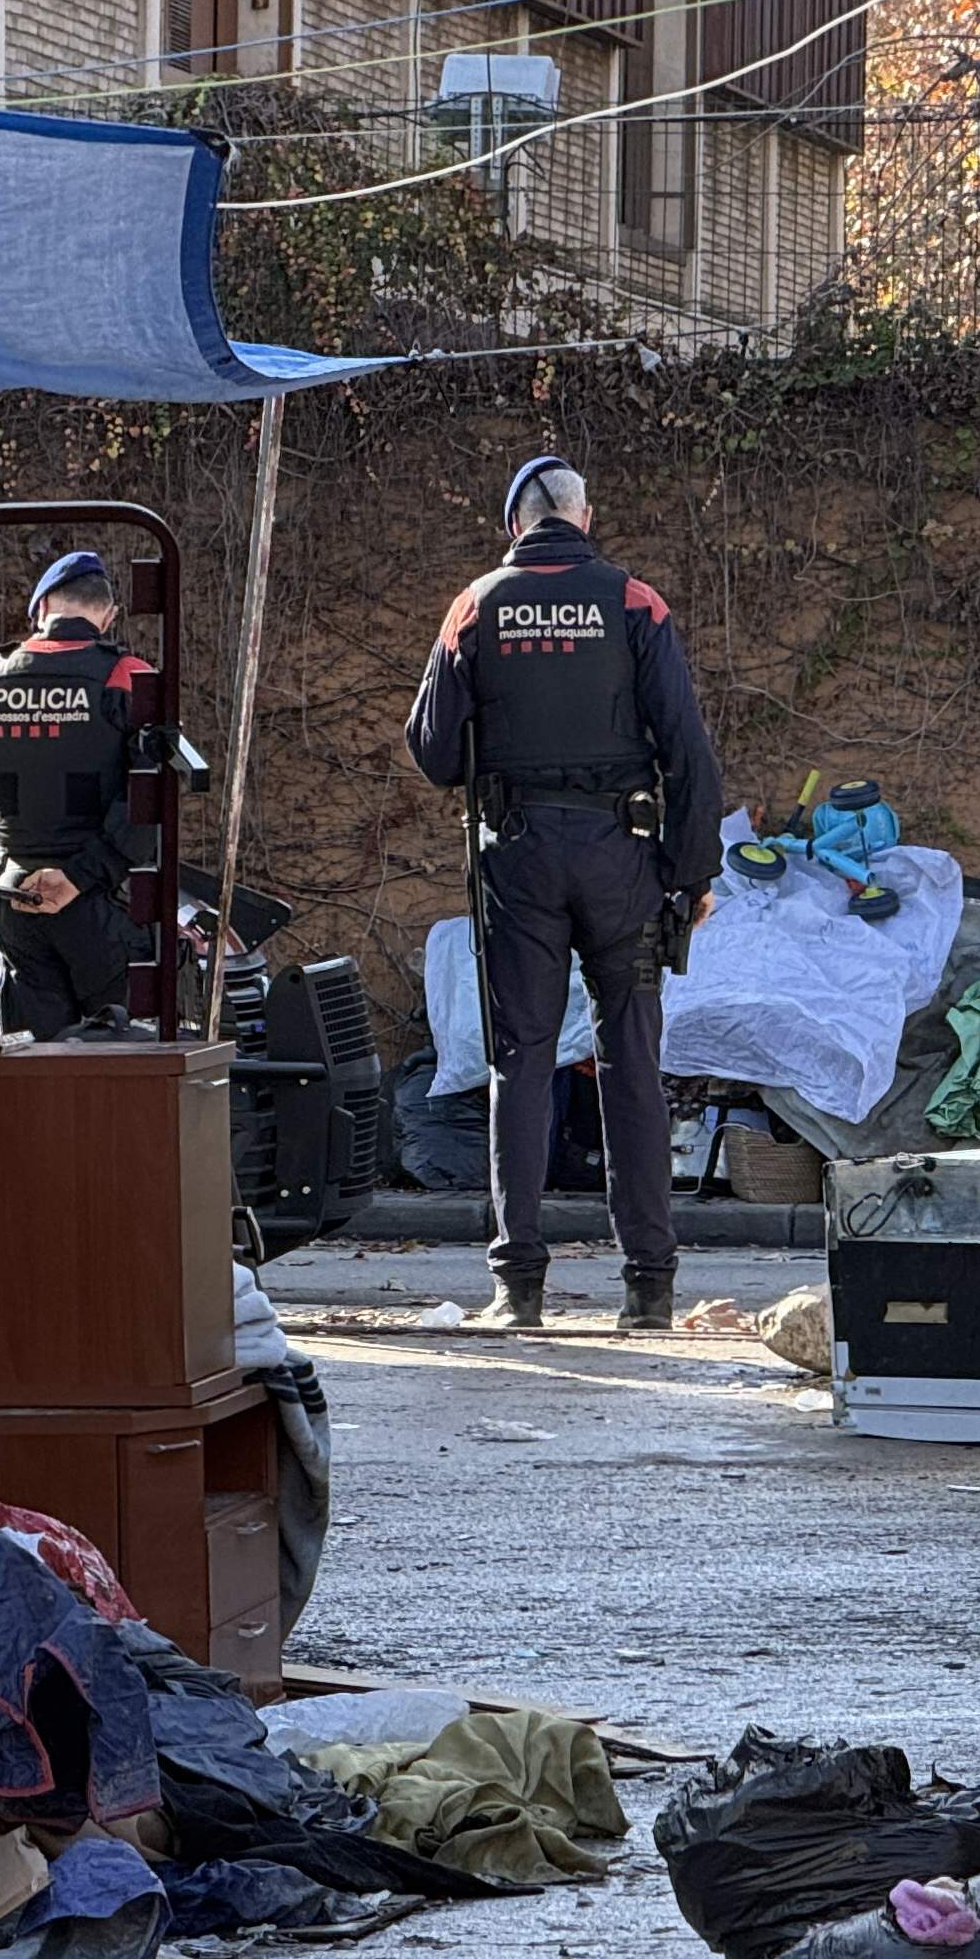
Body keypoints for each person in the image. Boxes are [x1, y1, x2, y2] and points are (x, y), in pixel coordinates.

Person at [406, 456, 723, 1331]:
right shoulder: (634, 602)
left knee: (522, 1059)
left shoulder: (476, 604)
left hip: (520, 856)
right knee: (632, 1064)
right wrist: (693, 872)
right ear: (584, 515)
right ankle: (649, 1289)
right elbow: (687, 747)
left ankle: (520, 1290)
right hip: (622, 855)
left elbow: (434, 752)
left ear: (515, 523)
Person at [0, 550, 152, 1038]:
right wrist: (79, 877)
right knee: (117, 1056)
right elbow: (148, 803)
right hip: (97, 901)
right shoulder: (129, 678)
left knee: (32, 1064)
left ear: (41, 608)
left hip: (17, 895)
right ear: (107, 617)